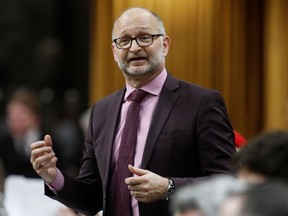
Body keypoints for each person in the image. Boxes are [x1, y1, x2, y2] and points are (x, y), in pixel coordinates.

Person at [30, 7, 236, 216]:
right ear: (114, 51)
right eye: (124, 40)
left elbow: (227, 181)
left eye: (144, 37)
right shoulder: (102, 111)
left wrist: (168, 187)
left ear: (165, 45)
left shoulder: (202, 102)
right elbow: (91, 198)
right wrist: (53, 177)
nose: (134, 47)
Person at [0, 88, 44, 178]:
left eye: (21, 113)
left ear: (35, 116)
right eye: (11, 115)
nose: (15, 120)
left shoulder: (48, 142)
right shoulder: (5, 144)